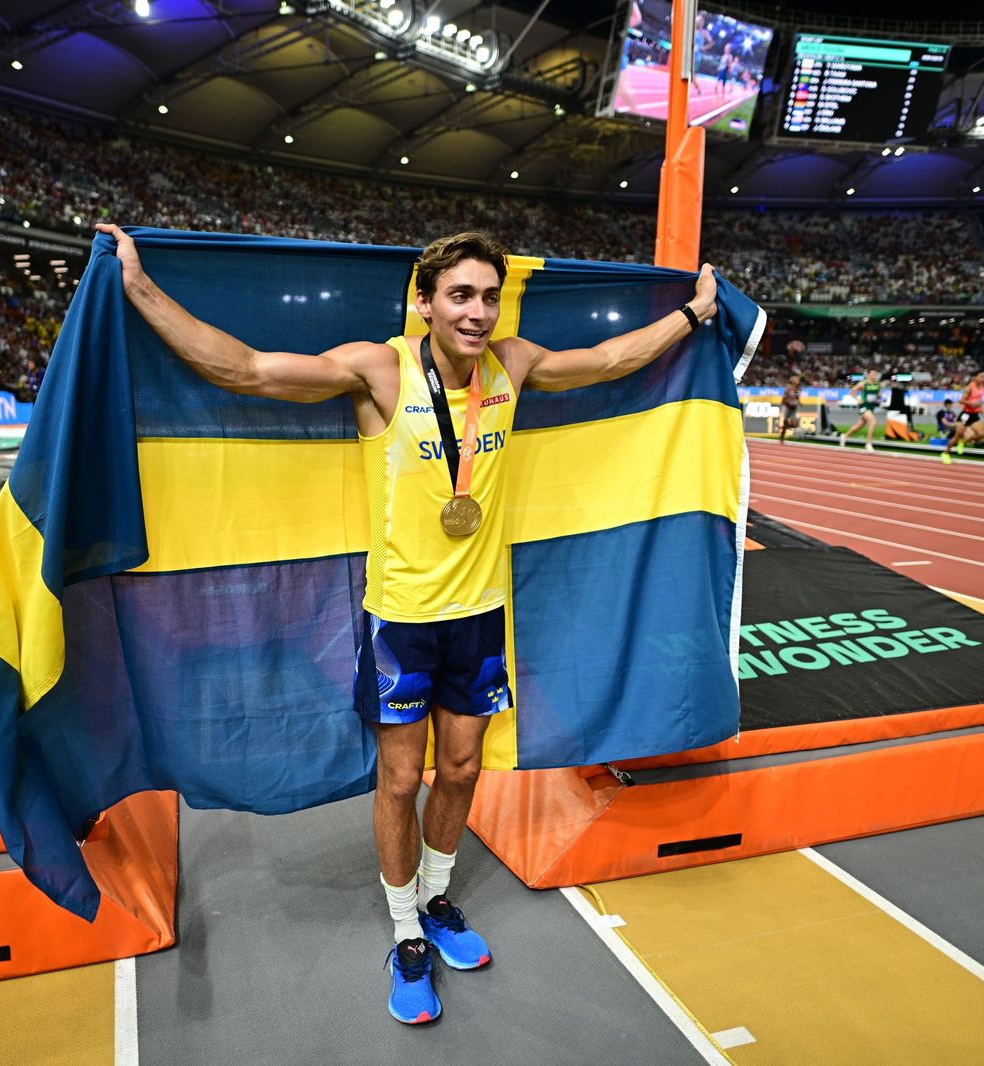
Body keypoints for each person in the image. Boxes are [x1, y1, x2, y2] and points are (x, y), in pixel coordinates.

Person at [95, 224, 719, 1026]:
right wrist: (138, 287)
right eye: (460, 295)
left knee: (460, 772)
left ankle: (436, 900)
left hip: (480, 615)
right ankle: (405, 937)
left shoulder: (513, 364)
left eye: (489, 296)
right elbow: (244, 369)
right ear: (424, 302)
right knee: (400, 779)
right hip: (401, 623)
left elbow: (607, 362)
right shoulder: (379, 370)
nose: (479, 311)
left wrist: (695, 316)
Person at [942, 370, 984, 464]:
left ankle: (963, 441)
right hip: (965, 415)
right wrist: (971, 403)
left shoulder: (982, 387)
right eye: (980, 376)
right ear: (974, 378)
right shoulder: (969, 388)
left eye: (983, 377)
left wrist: (980, 407)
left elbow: (979, 400)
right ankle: (946, 453)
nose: (983, 378)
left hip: (975, 415)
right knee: (957, 435)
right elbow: (961, 401)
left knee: (982, 434)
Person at [839, 369, 882, 451]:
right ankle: (868, 443)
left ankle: (845, 436)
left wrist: (879, 398)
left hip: (871, 406)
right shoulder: (863, 383)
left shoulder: (877, 384)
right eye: (872, 374)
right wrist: (858, 400)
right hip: (863, 406)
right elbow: (852, 392)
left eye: (875, 374)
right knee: (873, 421)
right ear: (868, 374)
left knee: (859, 426)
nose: (874, 375)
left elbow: (879, 394)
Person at [778, 372, 801, 443]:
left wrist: (799, 402)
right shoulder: (788, 388)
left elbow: (797, 397)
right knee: (785, 421)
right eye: (796, 379)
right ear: (793, 381)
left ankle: (786, 426)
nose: (798, 380)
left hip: (794, 407)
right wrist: (784, 402)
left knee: (794, 424)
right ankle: (782, 436)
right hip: (787, 406)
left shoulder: (798, 389)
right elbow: (784, 397)